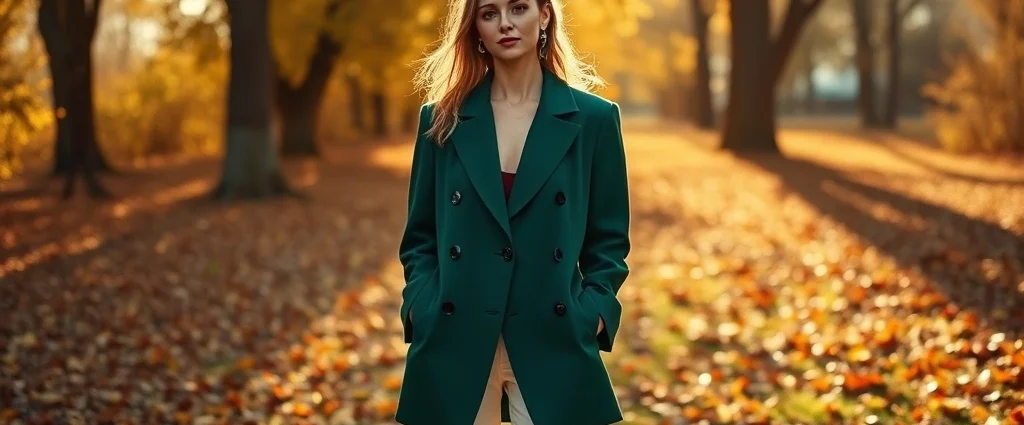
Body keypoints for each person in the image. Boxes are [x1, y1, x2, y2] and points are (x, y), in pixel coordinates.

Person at [396, 0, 630, 423]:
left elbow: (608, 242)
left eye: (518, 8)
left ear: (544, 16)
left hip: (552, 333)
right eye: (488, 13)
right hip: (455, 332)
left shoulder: (595, 119)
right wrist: (421, 305)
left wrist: (593, 313)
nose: (504, 23)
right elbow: (420, 238)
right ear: (476, 29)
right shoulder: (441, 120)